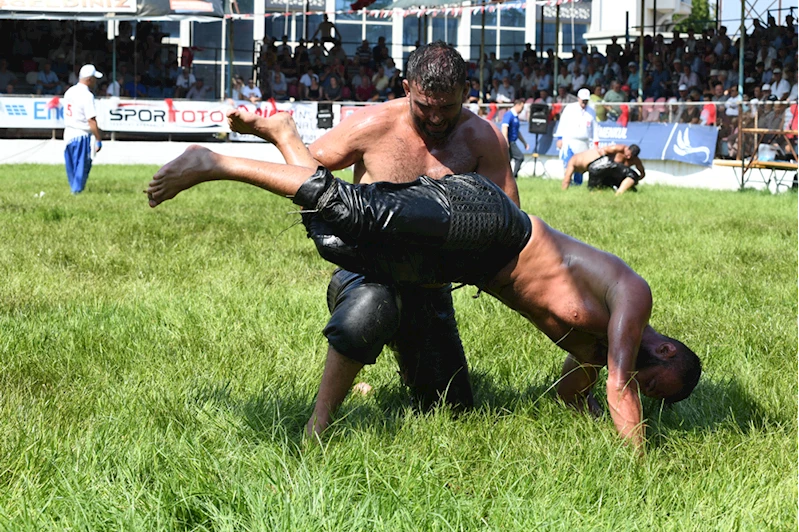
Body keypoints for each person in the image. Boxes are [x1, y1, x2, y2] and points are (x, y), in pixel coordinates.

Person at [146, 112, 701, 450]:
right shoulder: (633, 298)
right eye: (658, 388)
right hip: (496, 228)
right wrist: (638, 467)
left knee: (336, 240)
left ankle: (283, 133)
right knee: (358, 212)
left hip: (466, 267)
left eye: (654, 400)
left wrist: (582, 412)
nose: (647, 397)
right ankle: (215, 160)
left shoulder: (589, 352)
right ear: (664, 348)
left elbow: (565, 399)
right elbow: (620, 386)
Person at [148, 42, 518, 439]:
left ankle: (402, 360)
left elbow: (508, 222)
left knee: (453, 411)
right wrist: (282, 145)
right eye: (425, 106)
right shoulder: (372, 124)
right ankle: (318, 425)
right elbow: (308, 175)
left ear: (467, 91)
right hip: (364, 269)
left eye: (446, 108)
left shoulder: (485, 139)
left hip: (429, 287)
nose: (435, 118)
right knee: (370, 306)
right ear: (407, 87)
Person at [63, 64, 103, 195]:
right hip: (81, 135)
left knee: (71, 167)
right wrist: (98, 138)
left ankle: (73, 191)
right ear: (89, 79)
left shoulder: (69, 91)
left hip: (68, 133)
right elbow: (91, 119)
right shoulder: (87, 95)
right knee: (82, 166)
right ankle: (77, 193)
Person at [555, 87, 599, 186]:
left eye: (586, 101)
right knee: (568, 163)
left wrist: (596, 142)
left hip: (584, 142)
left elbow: (595, 127)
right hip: (570, 140)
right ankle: (567, 182)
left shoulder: (591, 111)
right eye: (583, 100)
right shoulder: (570, 108)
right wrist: (559, 138)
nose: (584, 102)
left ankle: (577, 184)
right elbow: (562, 123)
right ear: (578, 98)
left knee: (580, 165)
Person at [561, 144, 645, 195]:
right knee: (596, 188)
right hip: (605, 165)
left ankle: (618, 192)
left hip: (606, 168)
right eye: (628, 154)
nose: (628, 157)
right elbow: (603, 150)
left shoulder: (636, 160)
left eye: (631, 156)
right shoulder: (619, 148)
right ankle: (616, 193)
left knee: (631, 181)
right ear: (627, 149)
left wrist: (639, 178)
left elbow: (642, 173)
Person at [501, 99, 529, 178]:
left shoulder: (516, 116)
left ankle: (507, 178)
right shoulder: (509, 114)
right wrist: (506, 141)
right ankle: (513, 177)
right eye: (522, 107)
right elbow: (504, 127)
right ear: (518, 105)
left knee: (508, 160)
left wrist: (524, 142)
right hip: (510, 142)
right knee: (519, 157)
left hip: (513, 141)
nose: (522, 109)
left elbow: (517, 132)